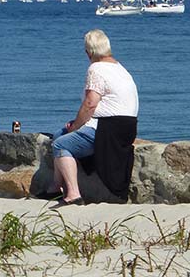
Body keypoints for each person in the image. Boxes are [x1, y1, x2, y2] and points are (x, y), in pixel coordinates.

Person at [38, 29, 139, 206]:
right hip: (126, 127)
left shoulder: (96, 68)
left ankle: (73, 194)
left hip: (107, 129)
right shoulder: (119, 67)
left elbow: (90, 104)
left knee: (60, 144)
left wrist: (76, 126)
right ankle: (55, 187)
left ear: (89, 52)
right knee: (58, 135)